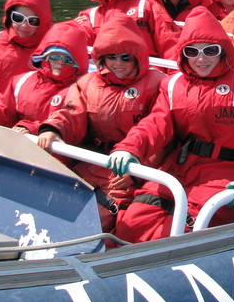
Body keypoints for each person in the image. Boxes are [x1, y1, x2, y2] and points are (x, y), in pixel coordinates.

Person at [107, 7, 234, 242]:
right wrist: (129, 148)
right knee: (130, 226)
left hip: (228, 172)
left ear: (223, 50)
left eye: (210, 50)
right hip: (179, 168)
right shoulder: (173, 85)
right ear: (183, 54)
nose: (201, 59)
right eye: (192, 51)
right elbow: (155, 124)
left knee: (177, 234)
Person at [37, 16, 166, 232]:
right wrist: (53, 129)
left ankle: (96, 253)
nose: (118, 64)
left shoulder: (157, 83)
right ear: (101, 58)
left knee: (102, 215)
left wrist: (138, 170)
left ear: (137, 57)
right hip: (92, 160)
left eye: (126, 57)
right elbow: (71, 114)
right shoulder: (87, 84)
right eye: (112, 56)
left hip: (130, 168)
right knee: (57, 202)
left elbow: (161, 133)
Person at [0, 21, 88, 135]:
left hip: (53, 152)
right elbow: (5, 109)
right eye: (55, 57)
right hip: (19, 143)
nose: (60, 63)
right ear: (44, 57)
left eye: (68, 60)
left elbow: (71, 125)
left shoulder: (80, 90)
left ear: (77, 63)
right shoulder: (21, 81)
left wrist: (32, 129)